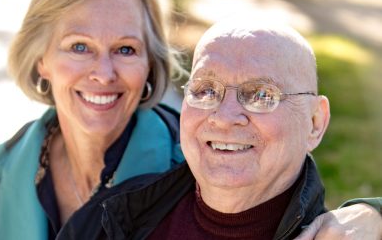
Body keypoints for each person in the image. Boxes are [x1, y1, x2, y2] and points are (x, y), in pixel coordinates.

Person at [0, 0, 381, 240]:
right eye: (78, 46)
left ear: (150, 64)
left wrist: (373, 212)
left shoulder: (204, 163)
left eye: (126, 49)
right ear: (41, 61)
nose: (102, 73)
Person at [59, 19, 382, 239]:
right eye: (206, 90)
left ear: (315, 123)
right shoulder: (109, 217)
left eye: (261, 95)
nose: (224, 117)